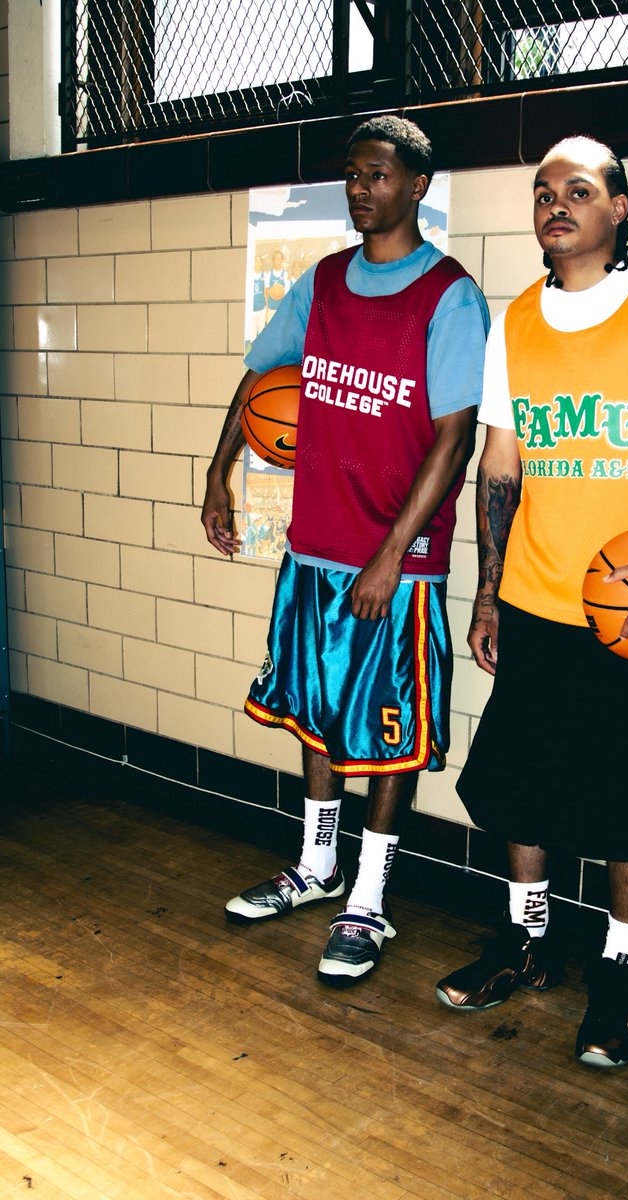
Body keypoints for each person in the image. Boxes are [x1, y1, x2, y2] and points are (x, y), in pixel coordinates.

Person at [435, 135, 628, 1068]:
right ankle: (528, 947)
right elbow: (500, 466)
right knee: (523, 795)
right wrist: (488, 594)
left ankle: (620, 970)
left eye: (578, 190)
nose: (554, 204)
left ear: (619, 208)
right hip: (533, 601)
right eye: (542, 192)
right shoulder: (515, 320)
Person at [201, 116, 489, 987]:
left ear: (416, 188)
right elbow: (261, 382)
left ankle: (368, 897)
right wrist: (220, 472)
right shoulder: (322, 283)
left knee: (387, 734)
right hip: (316, 549)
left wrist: (393, 554)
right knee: (315, 712)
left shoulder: (450, 295)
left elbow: (455, 440)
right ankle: (317, 866)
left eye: (376, 174)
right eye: (352, 175)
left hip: (393, 566)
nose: (361, 187)